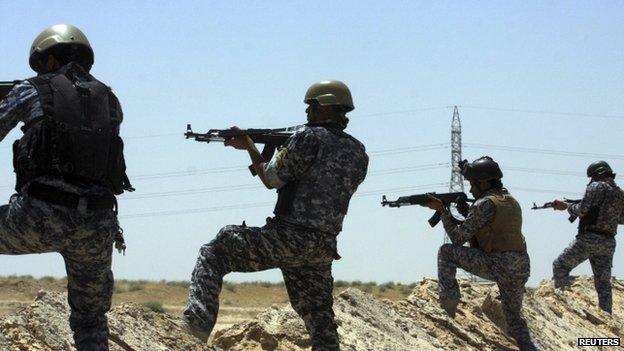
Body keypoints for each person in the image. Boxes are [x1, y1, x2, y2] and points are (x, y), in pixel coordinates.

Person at [182, 80, 368, 350]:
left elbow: (271, 178)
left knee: (215, 251)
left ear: (326, 107)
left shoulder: (307, 138)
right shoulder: (358, 152)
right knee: (320, 318)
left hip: (288, 238)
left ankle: (195, 327)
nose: (307, 112)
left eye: (312, 106)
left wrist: (250, 147)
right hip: (322, 247)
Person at [0, 24, 133, 350]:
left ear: (48, 60)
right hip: (98, 226)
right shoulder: (111, 100)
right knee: (91, 320)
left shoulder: (31, 90)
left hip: (41, 215)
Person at [424, 156, 539, 351]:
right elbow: (487, 229)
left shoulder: (484, 204)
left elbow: (458, 238)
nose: (470, 189)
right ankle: (529, 348)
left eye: (473, 184)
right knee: (513, 318)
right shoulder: (510, 201)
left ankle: (447, 309)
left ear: (484, 182)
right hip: (520, 267)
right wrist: (466, 210)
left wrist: (442, 211)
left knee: (446, 253)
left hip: (498, 264)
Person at [551, 160, 624, 314]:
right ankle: (606, 316)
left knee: (560, 265)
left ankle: (562, 306)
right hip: (608, 242)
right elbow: (622, 218)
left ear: (597, 174)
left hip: (589, 238)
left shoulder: (596, 186)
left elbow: (583, 209)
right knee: (603, 284)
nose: (590, 180)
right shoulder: (619, 193)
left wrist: (567, 207)